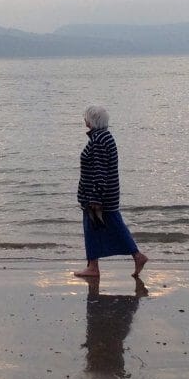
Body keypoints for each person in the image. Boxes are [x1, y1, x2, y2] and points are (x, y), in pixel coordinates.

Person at [74, 105, 147, 278]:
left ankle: (96, 266)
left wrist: (95, 197)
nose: (84, 120)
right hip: (106, 194)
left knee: (100, 227)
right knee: (108, 227)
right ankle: (97, 265)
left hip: (99, 197)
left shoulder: (99, 140)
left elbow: (100, 171)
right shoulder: (104, 137)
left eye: (86, 117)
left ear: (91, 120)